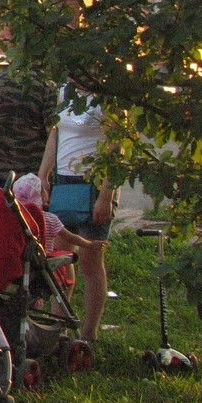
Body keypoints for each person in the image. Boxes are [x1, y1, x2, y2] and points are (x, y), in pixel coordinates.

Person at [38, 88, 117, 341]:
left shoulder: (106, 97)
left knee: (90, 260)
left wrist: (106, 195)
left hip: (93, 185)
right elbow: (56, 133)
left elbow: (115, 149)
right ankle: (57, 325)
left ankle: (88, 333)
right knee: (60, 256)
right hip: (65, 183)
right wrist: (43, 174)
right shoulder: (65, 92)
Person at [0, 70, 58, 186]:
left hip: (0, 166)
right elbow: (52, 128)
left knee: (0, 203)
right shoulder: (46, 84)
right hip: (33, 167)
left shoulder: (1, 81)